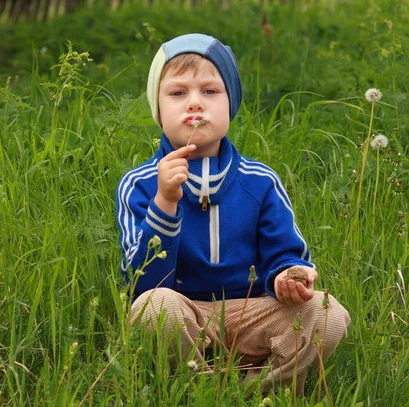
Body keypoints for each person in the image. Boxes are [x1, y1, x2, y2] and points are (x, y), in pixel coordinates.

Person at [116, 33, 350, 395]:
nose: (195, 104)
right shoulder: (140, 184)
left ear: (231, 104)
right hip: (185, 311)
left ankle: (261, 387)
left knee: (327, 313)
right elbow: (142, 284)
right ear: (158, 110)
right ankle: (195, 385)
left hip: (253, 312)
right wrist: (165, 201)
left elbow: (284, 253)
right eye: (178, 93)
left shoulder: (259, 181)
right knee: (152, 309)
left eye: (210, 91)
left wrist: (288, 275)